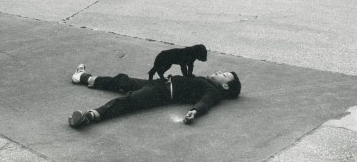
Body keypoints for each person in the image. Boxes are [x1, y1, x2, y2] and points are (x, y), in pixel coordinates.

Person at [68, 64, 241, 127]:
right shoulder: (208, 83)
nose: (220, 72)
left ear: (225, 85)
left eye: (224, 75)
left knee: (130, 100)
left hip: (161, 93)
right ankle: (83, 77)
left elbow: (206, 103)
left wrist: (195, 111)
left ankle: (89, 117)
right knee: (123, 80)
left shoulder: (214, 92)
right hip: (159, 84)